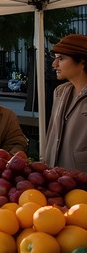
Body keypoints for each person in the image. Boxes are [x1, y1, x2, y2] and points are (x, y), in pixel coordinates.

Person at [43, 34, 87, 170]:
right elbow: (51, 134)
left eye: (61, 59)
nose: (54, 64)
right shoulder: (60, 92)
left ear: (82, 62)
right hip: (55, 180)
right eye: (55, 58)